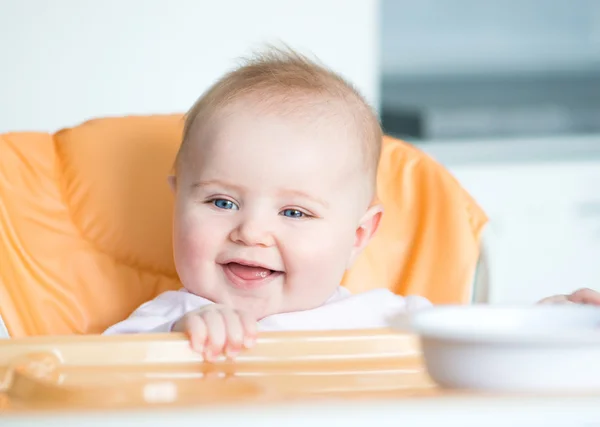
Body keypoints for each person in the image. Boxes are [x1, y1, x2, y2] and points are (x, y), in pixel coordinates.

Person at [104, 47, 600, 360]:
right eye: (220, 201)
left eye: (294, 212)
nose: (251, 232)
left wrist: (550, 320)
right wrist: (178, 341)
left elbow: (478, 347)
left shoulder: (389, 318)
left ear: (358, 236)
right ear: (177, 204)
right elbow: (93, 389)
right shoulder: (166, 319)